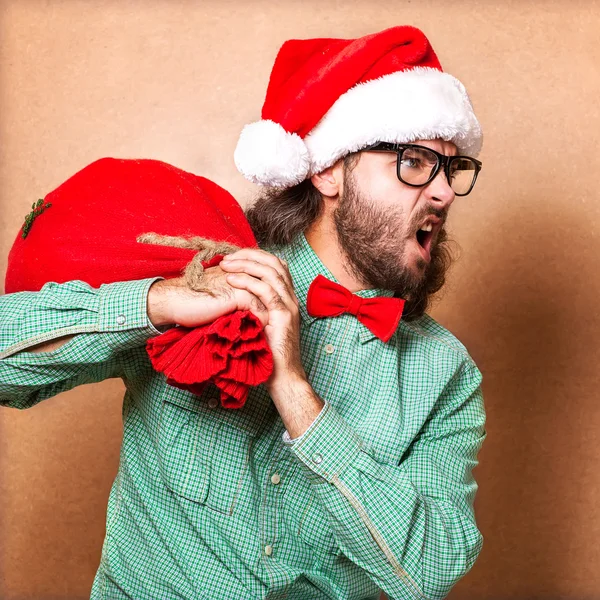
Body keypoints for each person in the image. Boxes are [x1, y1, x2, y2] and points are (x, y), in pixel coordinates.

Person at [0, 25, 487, 600]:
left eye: (451, 169)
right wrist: (154, 303)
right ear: (328, 170)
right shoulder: (206, 266)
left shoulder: (447, 374)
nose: (443, 194)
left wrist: (296, 394)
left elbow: (430, 570)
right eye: (414, 162)